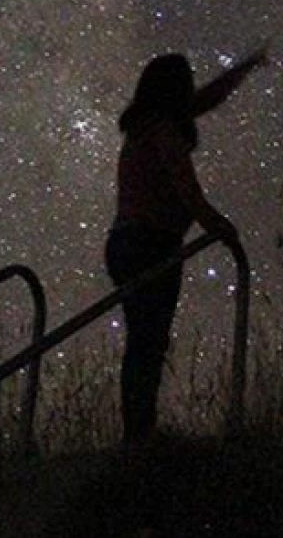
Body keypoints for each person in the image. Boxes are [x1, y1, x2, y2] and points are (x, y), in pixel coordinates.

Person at [106, 46, 267, 443]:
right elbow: (187, 189)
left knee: (143, 340)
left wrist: (242, 69)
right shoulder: (163, 132)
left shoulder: (145, 125)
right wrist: (220, 226)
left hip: (128, 242)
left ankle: (137, 432)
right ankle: (139, 436)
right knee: (148, 342)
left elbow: (206, 99)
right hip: (150, 244)